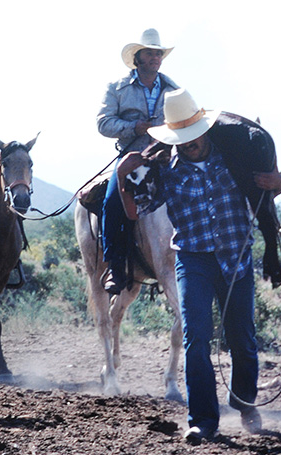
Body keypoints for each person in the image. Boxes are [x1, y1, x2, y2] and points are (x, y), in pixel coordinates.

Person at [116, 88, 281, 443]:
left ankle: (244, 402)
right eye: (181, 139)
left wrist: (279, 181)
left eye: (192, 137)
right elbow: (135, 211)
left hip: (235, 255)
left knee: (242, 338)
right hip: (192, 259)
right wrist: (122, 177)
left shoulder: (236, 159)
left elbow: (269, 187)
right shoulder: (165, 171)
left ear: (205, 132)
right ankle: (203, 420)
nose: (187, 145)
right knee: (195, 337)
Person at [96, 28, 179, 294]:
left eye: (158, 53)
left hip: (167, 159)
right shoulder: (117, 89)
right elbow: (103, 123)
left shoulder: (174, 90)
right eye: (150, 53)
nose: (155, 57)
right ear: (138, 57)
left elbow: (189, 119)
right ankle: (115, 267)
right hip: (132, 160)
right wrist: (134, 128)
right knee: (111, 203)